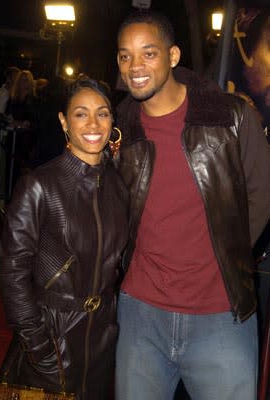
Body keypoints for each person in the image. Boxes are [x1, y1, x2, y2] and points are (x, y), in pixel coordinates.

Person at [114, 10, 270, 400]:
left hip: (219, 315)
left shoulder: (230, 117)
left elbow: (262, 194)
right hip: (140, 315)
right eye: (125, 55)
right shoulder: (120, 127)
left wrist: (224, 256)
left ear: (173, 56)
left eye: (148, 53)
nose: (135, 67)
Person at [0, 77, 128, 400]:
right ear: (63, 121)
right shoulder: (39, 187)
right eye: (81, 114)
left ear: (113, 120)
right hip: (51, 340)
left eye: (103, 113)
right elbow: (12, 273)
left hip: (101, 341)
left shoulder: (118, 185)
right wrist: (40, 348)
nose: (94, 123)